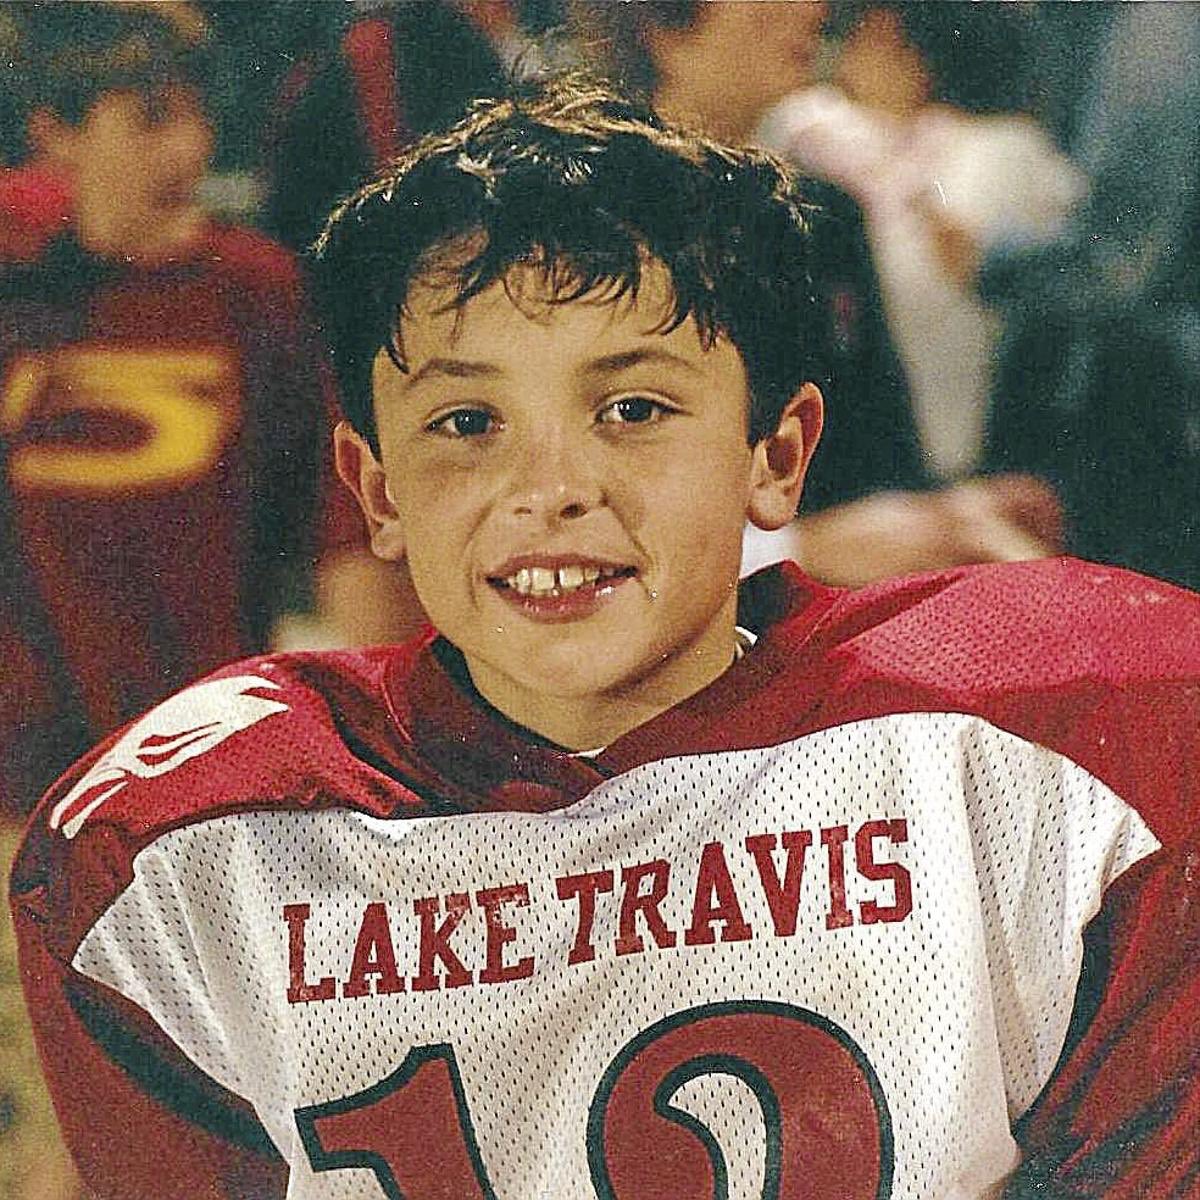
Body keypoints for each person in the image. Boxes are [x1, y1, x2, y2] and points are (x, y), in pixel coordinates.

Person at [10, 74, 1200, 1199]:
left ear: (775, 455)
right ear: (375, 491)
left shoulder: (1026, 756)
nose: (549, 488)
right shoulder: (191, 857)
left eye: (632, 408)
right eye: (467, 421)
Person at [0, 2, 401, 814]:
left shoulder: (255, 291)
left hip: (198, 773)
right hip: (18, 786)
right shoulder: (22, 295)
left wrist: (391, 766)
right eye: (150, 120)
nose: (188, 148)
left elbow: (343, 537)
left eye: (195, 116)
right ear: (56, 133)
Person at [598, 0, 1060, 589]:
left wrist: (948, 513)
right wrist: (794, 549)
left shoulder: (826, 216)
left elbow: (880, 456)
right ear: (663, 27)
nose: (813, 10)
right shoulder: (589, 228)